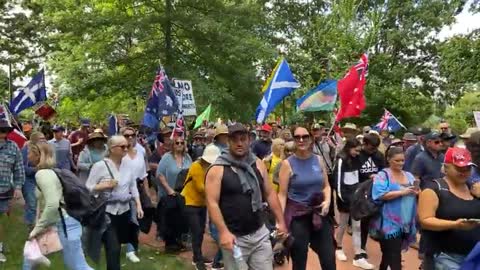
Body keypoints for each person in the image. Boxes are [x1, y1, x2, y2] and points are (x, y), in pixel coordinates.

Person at [205, 123, 287, 270]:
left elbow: (269, 193)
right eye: (235, 140)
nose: (239, 143)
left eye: (243, 139)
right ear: (228, 141)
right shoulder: (217, 169)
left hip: (259, 233)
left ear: (249, 140)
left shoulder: (258, 164)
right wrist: (223, 233)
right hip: (234, 238)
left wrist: (281, 221)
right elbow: (212, 203)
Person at [22, 142, 93, 270]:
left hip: (65, 224)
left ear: (37, 155)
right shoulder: (49, 172)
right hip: (62, 222)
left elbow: (52, 204)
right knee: (29, 257)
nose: (27, 155)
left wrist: (38, 228)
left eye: (29, 152)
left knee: (78, 266)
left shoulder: (42, 174)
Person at [278, 127, 336, 270]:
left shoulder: (319, 160)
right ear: (293, 139)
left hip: (319, 214)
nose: (301, 140)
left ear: (311, 138)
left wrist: (327, 200)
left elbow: (326, 186)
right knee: (299, 261)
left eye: (305, 136)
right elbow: (282, 194)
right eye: (297, 137)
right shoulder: (287, 164)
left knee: (329, 259)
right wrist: (279, 222)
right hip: (298, 217)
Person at [85, 135, 144, 270]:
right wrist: (103, 186)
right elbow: (88, 187)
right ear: (111, 149)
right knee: (113, 248)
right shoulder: (100, 166)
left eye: (127, 146)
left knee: (121, 244)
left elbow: (133, 186)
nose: (125, 149)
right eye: (122, 146)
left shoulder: (127, 164)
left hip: (124, 212)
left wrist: (139, 205)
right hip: (106, 213)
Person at [418, 147, 480, 269]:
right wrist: (455, 225)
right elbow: (425, 221)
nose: (464, 172)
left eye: (467, 168)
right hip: (445, 256)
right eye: (458, 168)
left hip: (474, 255)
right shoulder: (434, 189)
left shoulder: (474, 188)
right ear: (446, 168)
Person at [370, 146, 418, 270]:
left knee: (388, 254)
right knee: (394, 255)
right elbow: (380, 195)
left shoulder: (409, 175)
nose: (401, 163)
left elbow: (416, 191)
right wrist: (403, 192)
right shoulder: (383, 175)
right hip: (388, 222)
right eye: (397, 160)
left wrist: (417, 191)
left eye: (402, 160)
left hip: (407, 221)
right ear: (389, 159)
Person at [334, 138, 374, 269]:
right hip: (345, 198)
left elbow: (358, 176)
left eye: (359, 151)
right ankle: (338, 246)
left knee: (357, 225)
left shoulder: (357, 159)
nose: (357, 153)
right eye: (356, 150)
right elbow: (338, 183)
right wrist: (344, 198)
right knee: (343, 224)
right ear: (349, 148)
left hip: (355, 196)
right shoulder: (341, 159)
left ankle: (358, 256)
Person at [182, 144, 221, 270]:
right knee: (196, 230)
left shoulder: (212, 167)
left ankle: (197, 256)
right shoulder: (196, 166)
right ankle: (198, 259)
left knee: (200, 231)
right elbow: (200, 188)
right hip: (190, 202)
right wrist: (217, 191)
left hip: (202, 203)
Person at [156, 135, 192, 251]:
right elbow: (159, 175)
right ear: (173, 144)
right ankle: (170, 244)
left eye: (182, 143)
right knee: (170, 218)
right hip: (169, 194)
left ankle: (179, 241)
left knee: (181, 218)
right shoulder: (167, 157)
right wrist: (168, 189)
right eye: (177, 143)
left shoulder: (187, 158)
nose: (180, 145)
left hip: (183, 195)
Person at [121, 127, 150, 263]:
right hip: (123, 191)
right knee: (129, 220)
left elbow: (144, 176)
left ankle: (131, 248)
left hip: (138, 189)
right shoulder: (119, 154)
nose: (130, 138)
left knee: (137, 218)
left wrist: (147, 193)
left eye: (133, 135)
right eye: (127, 136)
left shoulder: (140, 152)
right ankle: (130, 249)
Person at [0, 119, 25, 263]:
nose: (2, 133)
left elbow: (19, 169)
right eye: (0, 130)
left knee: (2, 220)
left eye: (4, 131)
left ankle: (0, 247)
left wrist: (18, 187)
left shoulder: (13, 147)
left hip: (4, 191)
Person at [358, 133, 386, 259]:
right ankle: (361, 248)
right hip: (360, 191)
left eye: (375, 148)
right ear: (364, 144)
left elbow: (384, 171)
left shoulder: (379, 156)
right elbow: (353, 172)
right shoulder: (357, 155)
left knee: (378, 219)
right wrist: (367, 177)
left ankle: (385, 250)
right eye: (370, 148)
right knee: (363, 222)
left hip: (375, 191)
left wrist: (379, 177)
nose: (373, 151)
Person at [21, 132, 47, 228]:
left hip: (42, 180)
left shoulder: (45, 149)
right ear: (34, 140)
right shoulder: (25, 150)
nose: (44, 140)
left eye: (44, 138)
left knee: (41, 205)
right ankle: (30, 226)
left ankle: (39, 225)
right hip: (29, 181)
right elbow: (21, 167)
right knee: (32, 204)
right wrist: (34, 170)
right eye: (41, 139)